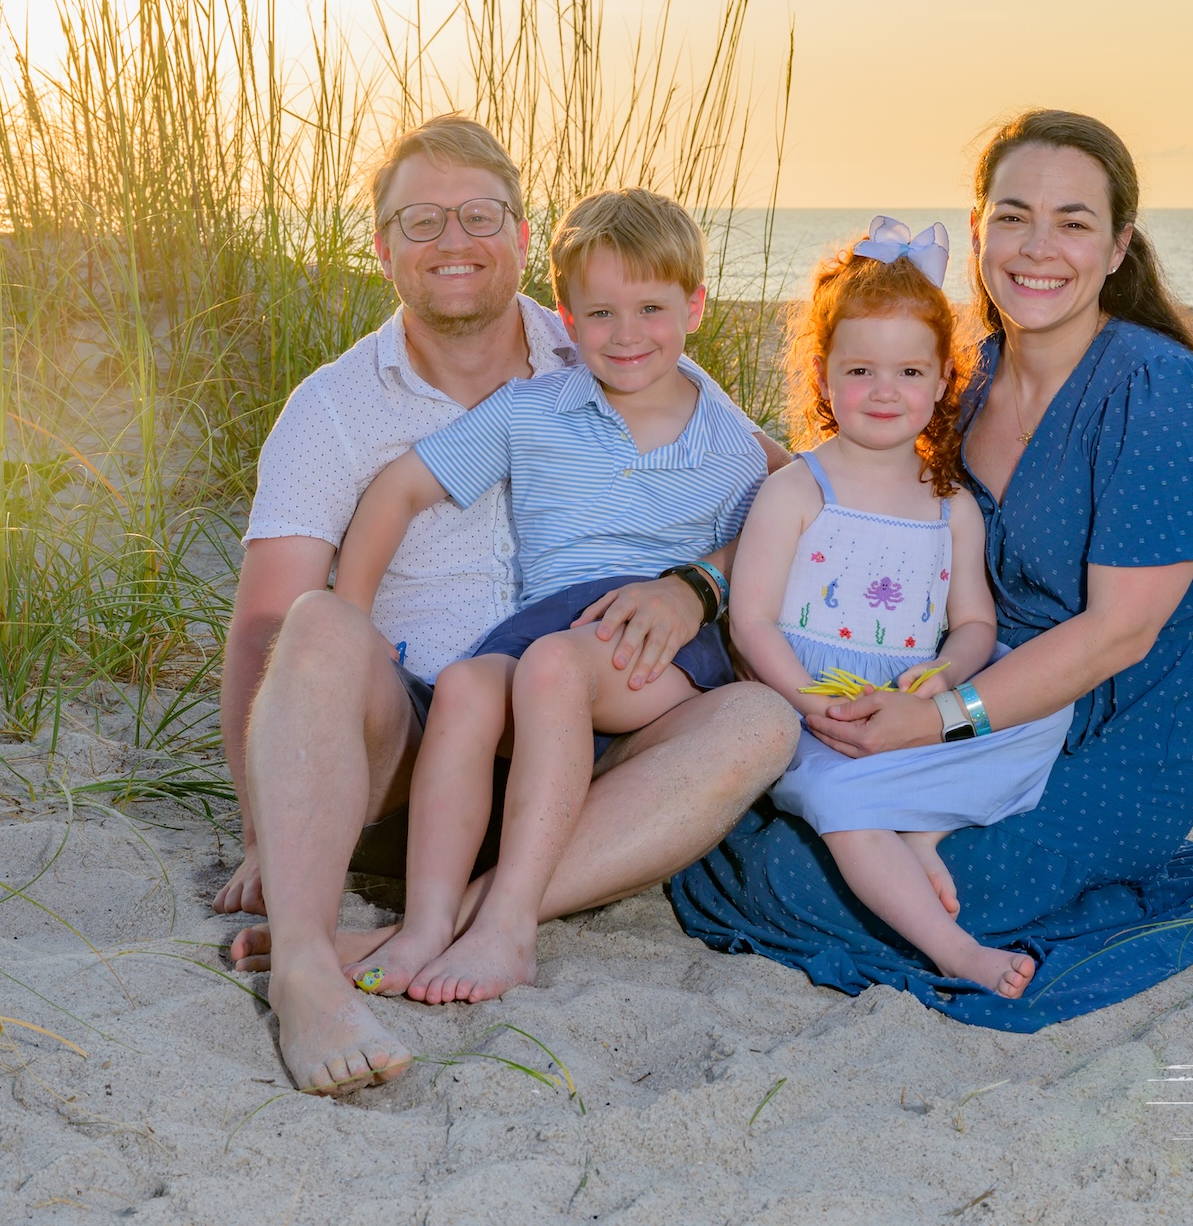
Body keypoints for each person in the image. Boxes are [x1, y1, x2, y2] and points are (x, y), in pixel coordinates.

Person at [670, 110, 1193, 1032]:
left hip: (1112, 728)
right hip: (957, 689)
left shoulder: (1157, 389)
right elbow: (853, 503)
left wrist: (937, 720)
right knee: (765, 825)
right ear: (976, 231)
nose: (1039, 248)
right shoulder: (969, 379)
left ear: (1119, 246)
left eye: (1074, 222)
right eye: (1013, 215)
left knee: (803, 884)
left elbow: (1121, 631)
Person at [220, 116, 796, 1096]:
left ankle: (454, 924)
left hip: (607, 760)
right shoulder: (334, 405)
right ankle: (312, 969)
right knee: (321, 621)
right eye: (421, 220)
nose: (453, 241)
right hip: (413, 758)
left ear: (522, 236)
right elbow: (267, 626)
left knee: (761, 719)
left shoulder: (617, 337)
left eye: (478, 215)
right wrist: (261, 822)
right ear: (382, 247)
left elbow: (790, 496)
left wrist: (692, 585)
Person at [329, 188, 765, 1006]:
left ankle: (508, 927)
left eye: (651, 308)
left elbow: (791, 515)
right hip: (547, 628)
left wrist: (701, 583)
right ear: (563, 317)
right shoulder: (533, 411)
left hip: (656, 643)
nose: (627, 334)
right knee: (464, 683)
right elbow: (397, 490)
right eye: (600, 313)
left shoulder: (731, 442)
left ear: (697, 306)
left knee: (555, 668)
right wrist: (352, 622)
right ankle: (426, 922)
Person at [726, 217, 1072, 999]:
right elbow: (750, 620)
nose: (886, 392)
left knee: (1047, 702)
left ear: (944, 380)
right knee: (841, 797)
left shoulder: (949, 503)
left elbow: (976, 622)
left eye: (911, 373)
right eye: (861, 371)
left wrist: (941, 682)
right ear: (822, 377)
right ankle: (953, 948)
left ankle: (923, 827)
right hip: (821, 717)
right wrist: (812, 703)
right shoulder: (797, 489)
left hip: (912, 709)